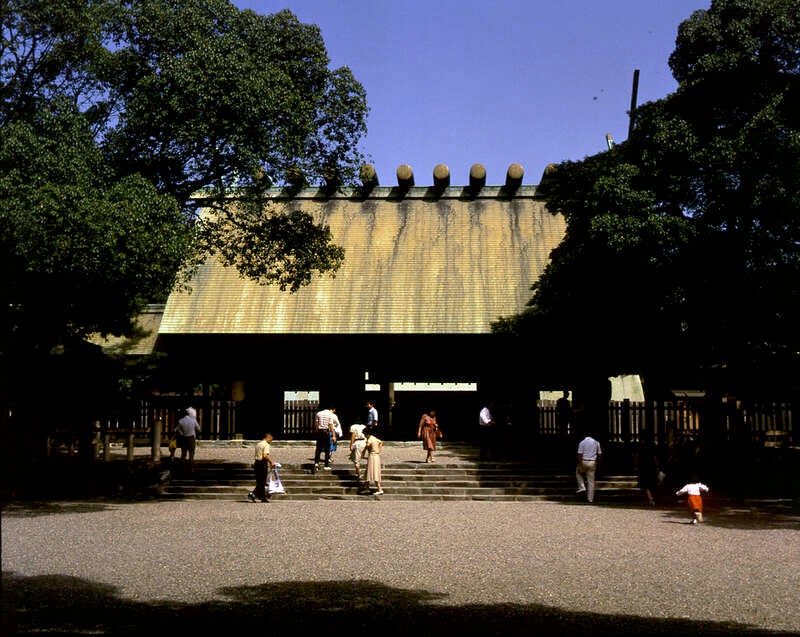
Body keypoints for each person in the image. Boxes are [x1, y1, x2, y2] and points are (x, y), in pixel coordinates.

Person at [634, 432, 661, 507]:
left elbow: (637, 456)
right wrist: (657, 466)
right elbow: (655, 457)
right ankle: (652, 498)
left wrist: (636, 465)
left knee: (646, 484)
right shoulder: (652, 445)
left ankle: (650, 498)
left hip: (643, 466)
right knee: (652, 482)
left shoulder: (640, 445)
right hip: (651, 465)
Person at [248, 432, 275, 503]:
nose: (271, 441)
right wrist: (271, 462)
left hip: (256, 463)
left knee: (259, 481)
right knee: (262, 481)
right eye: (271, 440)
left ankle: (262, 497)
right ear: (268, 438)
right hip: (262, 463)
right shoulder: (266, 445)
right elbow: (265, 455)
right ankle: (253, 494)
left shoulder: (258, 444)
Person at [576, 431, 602, 503]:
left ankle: (582, 487)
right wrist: (598, 463)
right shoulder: (597, 442)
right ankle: (590, 499)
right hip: (592, 462)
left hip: (584, 461)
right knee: (591, 481)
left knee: (578, 473)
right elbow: (599, 455)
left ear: (584, 435)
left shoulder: (582, 442)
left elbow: (579, 455)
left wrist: (580, 465)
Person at [174, 407, 201, 475]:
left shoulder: (181, 421)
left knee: (183, 454)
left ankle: (182, 469)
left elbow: (176, 429)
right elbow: (198, 428)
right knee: (191, 454)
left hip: (184, 437)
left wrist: (181, 432)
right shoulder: (193, 420)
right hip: (191, 437)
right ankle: (191, 469)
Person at [361, 425, 384, 495]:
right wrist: (379, 450)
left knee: (374, 472)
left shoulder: (369, 439)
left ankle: (379, 489)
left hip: (372, 456)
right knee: (369, 471)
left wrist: (363, 451)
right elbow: (381, 442)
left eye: (364, 434)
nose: (364, 436)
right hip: (376, 456)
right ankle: (367, 488)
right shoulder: (374, 438)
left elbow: (367, 445)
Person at [349, 421, 368, 487]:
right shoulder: (364, 426)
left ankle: (359, 473)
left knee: (356, 459)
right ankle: (358, 472)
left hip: (358, 442)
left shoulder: (353, 426)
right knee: (353, 457)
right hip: (364, 442)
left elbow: (353, 435)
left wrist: (351, 444)